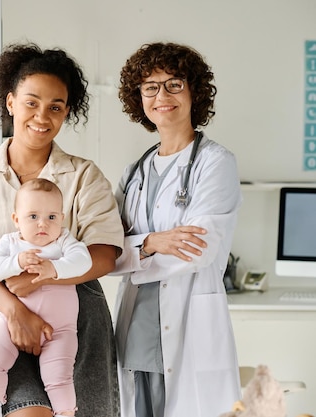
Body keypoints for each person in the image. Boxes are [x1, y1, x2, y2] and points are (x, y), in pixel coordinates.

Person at [0, 42, 124, 417]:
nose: (42, 115)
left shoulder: (85, 175)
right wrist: (14, 309)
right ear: (10, 102)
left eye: (56, 106)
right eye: (31, 102)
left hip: (75, 320)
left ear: (66, 112)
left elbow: (104, 254)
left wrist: (42, 279)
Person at [112, 42, 242, 417]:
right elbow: (104, 253)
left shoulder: (216, 163)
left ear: (194, 92)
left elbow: (197, 249)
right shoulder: (133, 172)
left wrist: (134, 252)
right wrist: (152, 243)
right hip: (136, 327)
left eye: (174, 84)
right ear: (139, 98)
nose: (161, 96)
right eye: (150, 87)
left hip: (191, 320)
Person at [0, 178, 92, 417]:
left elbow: (84, 261)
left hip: (59, 329)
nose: (43, 224)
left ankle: (66, 413)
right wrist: (16, 262)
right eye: (33, 217)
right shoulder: (11, 243)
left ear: (61, 218)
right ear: (16, 220)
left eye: (52, 217)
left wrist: (54, 269)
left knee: (59, 375)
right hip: (13, 321)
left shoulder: (64, 242)